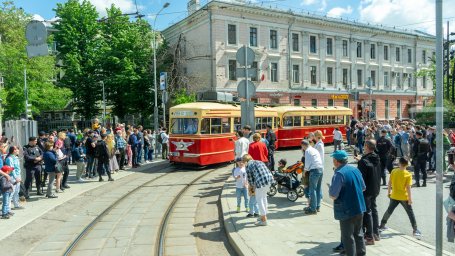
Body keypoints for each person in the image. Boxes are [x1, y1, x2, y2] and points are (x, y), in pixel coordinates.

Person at [329, 150, 366, 256]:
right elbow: (363, 188)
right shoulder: (355, 170)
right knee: (359, 234)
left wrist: (331, 189)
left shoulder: (339, 174)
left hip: (346, 210)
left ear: (336, 161)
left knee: (348, 237)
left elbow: (333, 195)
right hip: (359, 207)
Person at [379, 157, 422, 239]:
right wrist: (410, 199)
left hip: (394, 195)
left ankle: (382, 225)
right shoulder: (408, 174)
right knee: (410, 213)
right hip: (404, 196)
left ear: (399, 163)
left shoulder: (394, 171)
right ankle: (415, 229)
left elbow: (389, 182)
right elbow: (408, 188)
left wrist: (388, 192)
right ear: (406, 164)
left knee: (389, 210)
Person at [356, 140, 382, 245]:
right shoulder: (377, 157)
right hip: (375, 188)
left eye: (364, 145)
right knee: (373, 210)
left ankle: (369, 236)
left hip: (366, 189)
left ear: (366, 146)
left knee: (367, 212)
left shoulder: (364, 161)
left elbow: (360, 177)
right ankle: (376, 233)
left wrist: (360, 161)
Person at [243, 154, 273, 226]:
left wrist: (252, 189)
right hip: (269, 179)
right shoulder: (259, 161)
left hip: (261, 182)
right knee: (264, 197)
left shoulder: (248, 166)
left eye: (243, 162)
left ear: (245, 161)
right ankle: (263, 215)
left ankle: (264, 220)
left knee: (259, 200)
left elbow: (250, 180)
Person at [301, 139, 323, 214]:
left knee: (312, 190)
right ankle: (317, 206)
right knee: (318, 189)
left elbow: (307, 164)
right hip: (320, 169)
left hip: (314, 170)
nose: (302, 148)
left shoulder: (307, 151)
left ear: (303, 145)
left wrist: (304, 172)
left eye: (302, 146)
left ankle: (313, 209)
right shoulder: (314, 149)